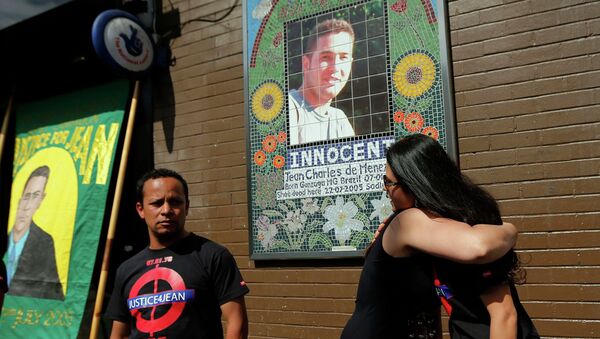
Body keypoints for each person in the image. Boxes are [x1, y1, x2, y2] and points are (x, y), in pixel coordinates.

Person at [343, 134, 539, 338]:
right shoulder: (408, 221)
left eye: (389, 182)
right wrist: (509, 230)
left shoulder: (430, 230)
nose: (385, 189)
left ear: (416, 183)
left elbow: (478, 251)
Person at [106, 168, 249, 339]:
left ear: (187, 206)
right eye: (157, 203)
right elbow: (119, 334)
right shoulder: (126, 269)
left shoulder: (213, 256)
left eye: (175, 202)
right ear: (140, 209)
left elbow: (236, 323)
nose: (166, 210)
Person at [289, 18, 355, 145]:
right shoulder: (288, 108)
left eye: (343, 57)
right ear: (306, 64)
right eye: (326, 57)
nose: (335, 67)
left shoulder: (339, 120)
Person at [4, 165, 63, 300]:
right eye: (26, 196)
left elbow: (54, 295)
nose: (27, 205)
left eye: (35, 197)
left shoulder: (45, 243)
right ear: (19, 199)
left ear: (40, 201)